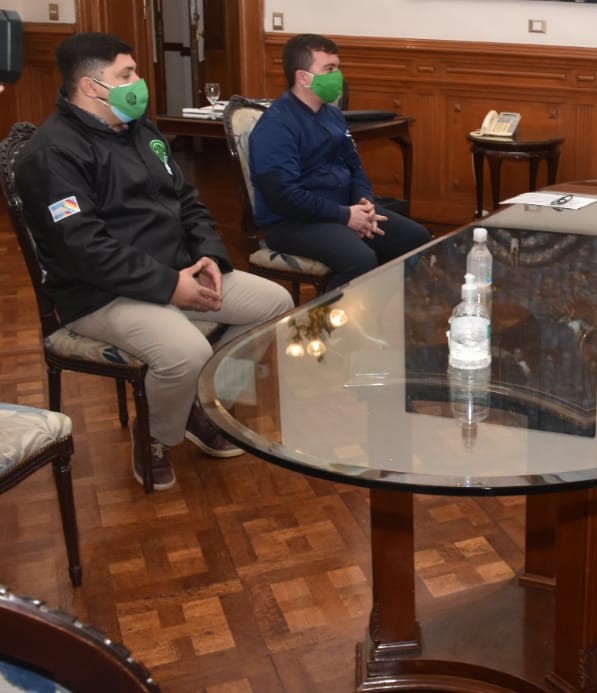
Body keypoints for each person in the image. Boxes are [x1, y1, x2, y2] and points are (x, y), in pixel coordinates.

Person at [15, 32, 295, 491]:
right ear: (90, 86)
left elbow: (188, 201)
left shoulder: (140, 130)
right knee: (186, 353)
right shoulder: (52, 155)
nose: (139, 82)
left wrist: (208, 255)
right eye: (127, 74)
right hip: (101, 294)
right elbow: (84, 249)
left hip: (178, 270)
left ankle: (201, 405)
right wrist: (169, 285)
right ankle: (156, 436)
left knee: (276, 305)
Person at [249, 34, 432, 287]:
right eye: (329, 69)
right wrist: (345, 216)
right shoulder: (276, 125)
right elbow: (284, 196)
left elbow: (354, 167)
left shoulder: (333, 115)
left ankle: (381, 305)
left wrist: (364, 202)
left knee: (416, 239)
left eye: (338, 67)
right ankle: (327, 313)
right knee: (360, 260)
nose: (338, 76)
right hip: (292, 223)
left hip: (343, 208)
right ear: (303, 77)